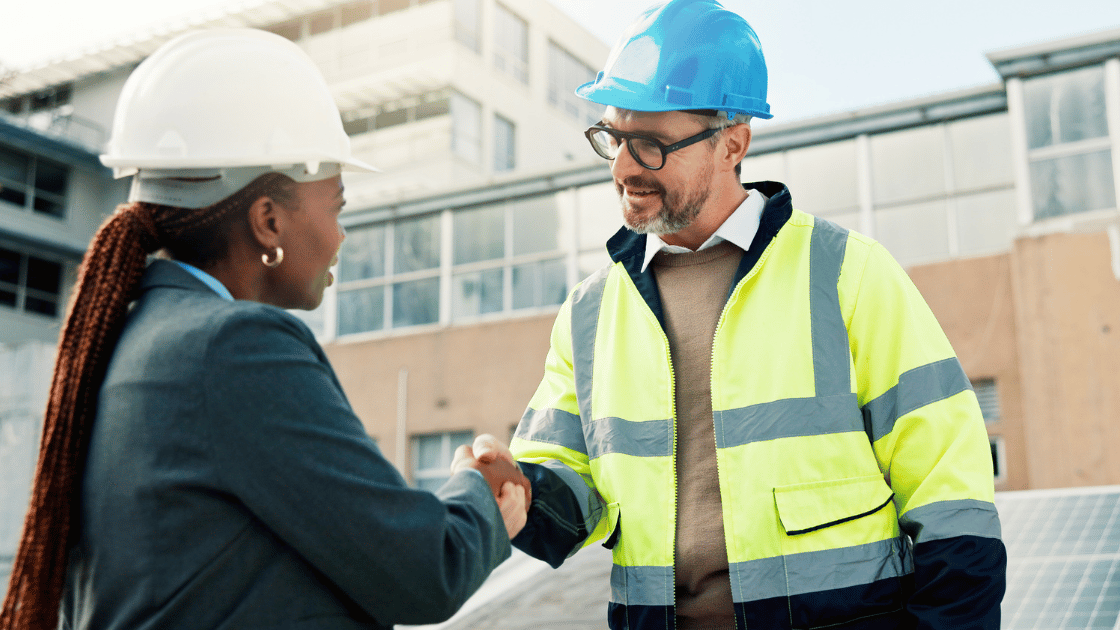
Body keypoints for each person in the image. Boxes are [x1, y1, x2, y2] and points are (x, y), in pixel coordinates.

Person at [469, 0, 1007, 628]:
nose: (621, 168)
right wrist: (522, 495)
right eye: (614, 138)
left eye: (650, 145)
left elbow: (951, 491)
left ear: (732, 144)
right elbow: (572, 490)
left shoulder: (845, 272)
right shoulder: (589, 312)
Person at [0, 29, 529, 630]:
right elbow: (428, 569)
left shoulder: (128, 337)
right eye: (337, 206)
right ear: (269, 220)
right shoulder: (233, 348)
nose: (340, 237)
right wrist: (481, 493)